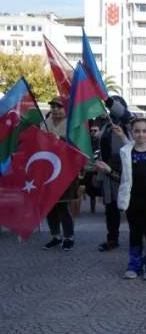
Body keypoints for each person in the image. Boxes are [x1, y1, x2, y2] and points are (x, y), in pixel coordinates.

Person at [95, 118, 146, 280]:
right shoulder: (126, 152)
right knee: (135, 233)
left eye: (144, 131)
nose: (140, 134)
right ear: (132, 133)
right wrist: (108, 171)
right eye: (137, 131)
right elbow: (121, 178)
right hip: (133, 201)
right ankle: (134, 264)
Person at [41, 96, 79, 251]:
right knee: (49, 206)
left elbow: (78, 148)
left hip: (66, 171)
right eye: (53, 106)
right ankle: (55, 235)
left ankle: (69, 237)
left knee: (63, 206)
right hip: (47, 171)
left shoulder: (72, 125)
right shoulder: (44, 124)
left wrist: (61, 139)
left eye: (59, 106)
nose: (55, 109)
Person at [97, 95, 133, 252]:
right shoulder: (106, 126)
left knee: (132, 207)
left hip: (127, 171)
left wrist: (108, 101)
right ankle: (112, 238)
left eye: (116, 106)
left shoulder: (130, 124)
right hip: (108, 171)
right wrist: (98, 174)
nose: (113, 109)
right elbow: (101, 150)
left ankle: (137, 238)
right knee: (111, 208)